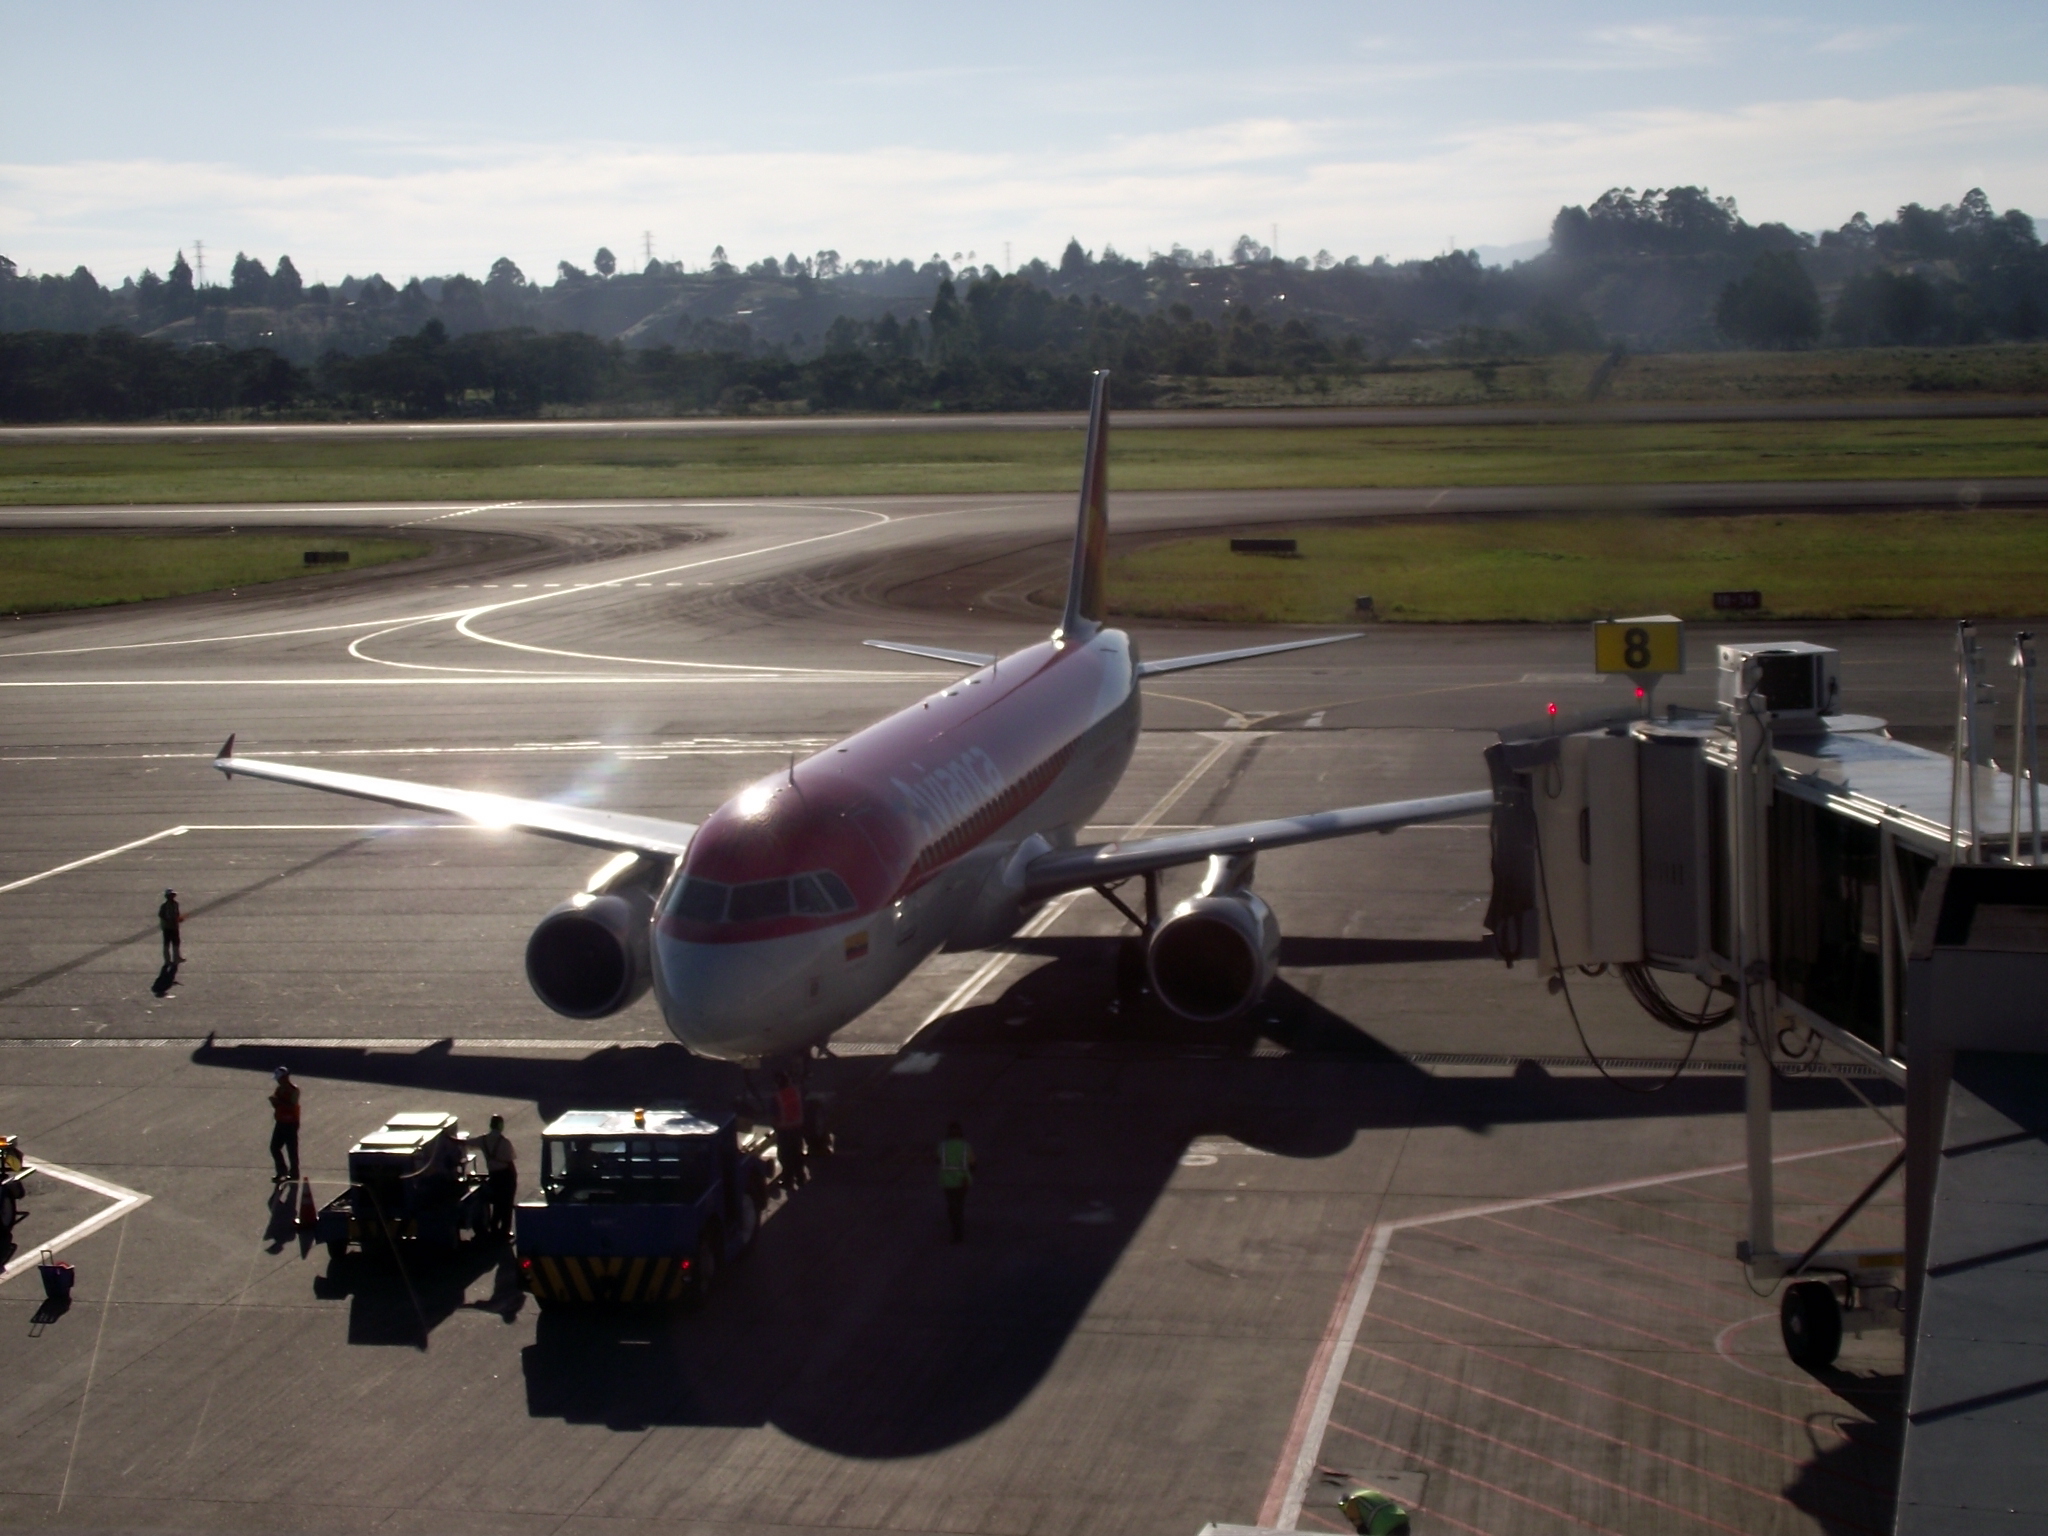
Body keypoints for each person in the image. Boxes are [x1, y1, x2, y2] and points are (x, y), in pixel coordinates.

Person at [474, 1114, 517, 1237]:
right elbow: (510, 1159)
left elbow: (467, 1142)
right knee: (507, 1205)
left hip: (494, 1176)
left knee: (498, 1204)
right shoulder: (505, 1142)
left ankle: (493, 1227)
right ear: (500, 1125)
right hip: (506, 1176)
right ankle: (505, 1231)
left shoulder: (483, 1140)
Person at [937, 1120, 976, 1243]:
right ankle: (959, 1230)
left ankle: (955, 1227)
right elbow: (972, 1163)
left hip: (947, 1180)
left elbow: (938, 1159)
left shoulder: (942, 1146)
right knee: (959, 1205)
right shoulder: (965, 1146)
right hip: (962, 1180)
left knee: (951, 1205)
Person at [772, 1072, 806, 1191]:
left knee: (785, 1157)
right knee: (797, 1155)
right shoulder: (795, 1092)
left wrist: (775, 1127)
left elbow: (775, 1115)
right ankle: (801, 1178)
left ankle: (788, 1181)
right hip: (797, 1129)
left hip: (785, 1131)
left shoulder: (777, 1097)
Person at [268, 1067, 301, 1183]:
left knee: (292, 1149)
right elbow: (279, 1106)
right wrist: (274, 1103)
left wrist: (278, 1102)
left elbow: (292, 1105)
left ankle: (294, 1174)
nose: (278, 1081)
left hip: (291, 1123)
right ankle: (281, 1171)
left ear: (286, 1077)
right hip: (281, 1121)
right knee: (274, 1147)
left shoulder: (294, 1090)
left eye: (280, 1078)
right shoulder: (279, 1090)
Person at [159, 889, 183, 967]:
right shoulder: (164, 906)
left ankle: (177, 957)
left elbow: (177, 913)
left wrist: (178, 919)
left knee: (176, 942)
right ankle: (167, 960)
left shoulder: (176, 904)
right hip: (167, 927)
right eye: (170, 895)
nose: (172, 897)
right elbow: (161, 915)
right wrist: (168, 920)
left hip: (175, 926)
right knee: (167, 943)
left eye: (173, 895)